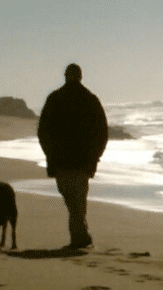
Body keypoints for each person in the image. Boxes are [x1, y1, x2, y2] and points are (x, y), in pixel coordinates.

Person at [38, 63, 108, 248]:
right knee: (78, 202)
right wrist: (95, 158)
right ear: (80, 76)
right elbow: (102, 133)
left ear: (65, 76)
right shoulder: (90, 100)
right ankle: (81, 237)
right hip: (82, 162)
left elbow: (43, 132)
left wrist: (50, 155)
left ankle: (80, 238)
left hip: (61, 161)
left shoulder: (54, 99)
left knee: (72, 201)